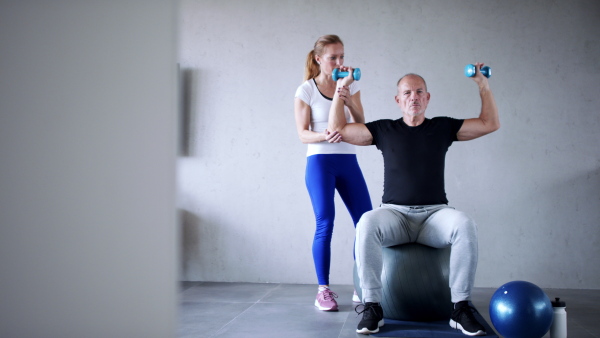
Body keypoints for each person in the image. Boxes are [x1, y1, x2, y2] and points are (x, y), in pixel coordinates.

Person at [328, 64, 499, 335]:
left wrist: (483, 85)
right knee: (367, 222)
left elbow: (490, 124)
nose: (413, 97)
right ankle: (373, 306)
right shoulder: (383, 130)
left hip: (434, 216)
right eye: (407, 92)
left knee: (465, 224)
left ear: (428, 98)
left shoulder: (443, 127)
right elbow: (336, 127)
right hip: (395, 215)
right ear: (398, 100)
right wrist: (341, 88)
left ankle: (460, 308)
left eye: (419, 91)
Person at [294, 35, 373, 312]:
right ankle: (323, 291)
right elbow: (302, 134)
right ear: (318, 59)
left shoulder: (350, 84)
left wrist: (347, 97)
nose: (340, 62)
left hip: (348, 161)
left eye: (342, 56)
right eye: (333, 57)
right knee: (325, 222)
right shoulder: (306, 90)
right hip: (319, 163)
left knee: (366, 223)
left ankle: (360, 284)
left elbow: (362, 123)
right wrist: (322, 135)